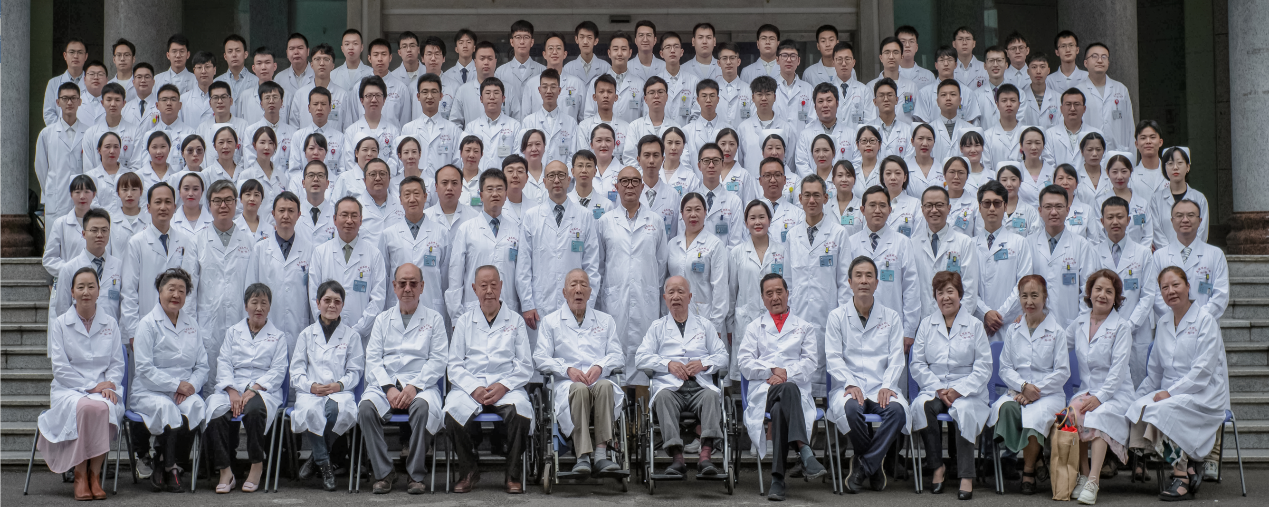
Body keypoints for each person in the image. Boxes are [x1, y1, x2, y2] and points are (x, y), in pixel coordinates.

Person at [1128, 266, 1231, 501]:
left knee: (1161, 411)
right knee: (1138, 407)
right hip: (1172, 393)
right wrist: (1136, 397)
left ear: (1187, 286)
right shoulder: (1164, 323)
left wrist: (1170, 392)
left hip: (1203, 393)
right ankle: (1189, 462)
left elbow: (1202, 372)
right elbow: (1155, 372)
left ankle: (1181, 475)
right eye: (1165, 287)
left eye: (1176, 285)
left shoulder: (1205, 321)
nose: (1171, 291)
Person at [358, 264, 449, 494]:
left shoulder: (435, 319)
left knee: (422, 408)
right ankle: (384, 472)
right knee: (366, 409)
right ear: (394, 286)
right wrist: (389, 388)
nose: (408, 288)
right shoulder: (382, 320)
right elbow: (373, 359)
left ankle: (415, 474)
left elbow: (438, 359)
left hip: (421, 384)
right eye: (402, 283)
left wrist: (414, 386)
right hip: (386, 383)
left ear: (422, 287)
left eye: (413, 283)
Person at [443, 265, 535, 494]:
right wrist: (474, 388)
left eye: (494, 285)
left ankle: (512, 475)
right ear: (474, 289)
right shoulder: (464, 321)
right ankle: (469, 471)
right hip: (470, 386)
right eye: (483, 286)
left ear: (501, 286)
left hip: (506, 386)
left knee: (521, 413)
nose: (489, 291)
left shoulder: (515, 321)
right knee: (452, 414)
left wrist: (504, 386)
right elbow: (454, 365)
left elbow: (525, 364)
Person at [39, 266, 126, 501]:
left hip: (104, 388)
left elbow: (117, 363)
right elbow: (60, 369)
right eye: (80, 287)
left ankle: (94, 475)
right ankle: (80, 474)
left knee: (103, 407)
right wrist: (91, 387)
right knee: (87, 407)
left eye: (91, 286)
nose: (86, 292)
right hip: (69, 388)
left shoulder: (110, 323)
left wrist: (110, 385)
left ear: (99, 291)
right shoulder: (60, 324)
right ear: (72, 292)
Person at [738, 274, 827, 500]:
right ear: (763, 298)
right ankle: (804, 450)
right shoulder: (754, 328)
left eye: (779, 292)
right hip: (764, 391)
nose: (775, 297)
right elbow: (744, 363)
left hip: (794, 393)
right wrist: (771, 370)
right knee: (787, 390)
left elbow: (810, 363)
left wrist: (786, 374)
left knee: (780, 407)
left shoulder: (804, 328)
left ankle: (777, 480)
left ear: (788, 293)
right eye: (769, 293)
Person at [826, 256, 909, 493]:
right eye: (859, 276)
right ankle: (875, 465)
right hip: (850, 386)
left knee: (897, 411)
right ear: (850, 282)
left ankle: (863, 465)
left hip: (881, 385)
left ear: (876, 283)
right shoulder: (837, 317)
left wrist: (888, 385)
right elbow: (833, 356)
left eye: (869, 276)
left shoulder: (891, 317)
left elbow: (896, 357)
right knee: (851, 410)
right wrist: (850, 383)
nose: (864, 281)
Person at [533, 269, 625, 476]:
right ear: (564, 292)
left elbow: (618, 355)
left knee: (605, 385)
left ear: (590, 292)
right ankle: (582, 456)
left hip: (597, 382)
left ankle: (601, 455)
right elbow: (540, 358)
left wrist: (600, 367)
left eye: (583, 285)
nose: (578, 290)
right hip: (567, 384)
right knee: (579, 389)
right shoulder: (551, 322)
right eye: (573, 285)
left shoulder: (605, 320)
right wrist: (567, 369)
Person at [909, 270, 991, 499]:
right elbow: (917, 364)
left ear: (960, 294)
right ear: (935, 297)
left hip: (967, 390)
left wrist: (959, 390)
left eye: (950, 291)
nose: (945, 297)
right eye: (940, 292)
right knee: (922, 407)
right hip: (935, 387)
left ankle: (966, 476)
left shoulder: (975, 325)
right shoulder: (926, 325)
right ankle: (937, 467)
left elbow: (984, 367)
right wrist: (938, 388)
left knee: (964, 410)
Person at [636, 276, 728, 477]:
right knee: (662, 397)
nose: (676, 296)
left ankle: (705, 456)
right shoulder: (657, 327)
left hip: (700, 387)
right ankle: (677, 458)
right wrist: (667, 364)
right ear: (665, 298)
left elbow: (723, 356)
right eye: (671, 292)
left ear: (690, 297)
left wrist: (703, 363)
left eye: (681, 292)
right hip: (670, 388)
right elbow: (640, 358)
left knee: (712, 396)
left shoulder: (705, 325)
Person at [988, 275, 1070, 496]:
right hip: (1018, 390)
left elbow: (1063, 371)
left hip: (1048, 393)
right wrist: (1024, 386)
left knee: (1035, 416)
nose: (1029, 301)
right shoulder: (1013, 330)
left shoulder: (1057, 331)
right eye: (1024, 296)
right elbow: (1005, 368)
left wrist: (1036, 390)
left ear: (1044, 297)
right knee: (1006, 409)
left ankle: (1028, 470)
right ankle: (1037, 457)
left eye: (1035, 295)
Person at [203, 283, 288, 493]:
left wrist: (254, 389)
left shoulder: (278, 336)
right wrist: (232, 391)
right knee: (215, 412)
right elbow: (224, 362)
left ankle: (256, 464)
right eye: (254, 302)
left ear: (269, 307)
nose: (259, 308)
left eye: (264, 303)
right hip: (232, 385)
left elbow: (279, 369)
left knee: (254, 411)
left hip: (263, 389)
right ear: (245, 306)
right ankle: (225, 471)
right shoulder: (233, 332)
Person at [131, 268, 209, 492]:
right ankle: (167, 465)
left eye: (182, 291)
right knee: (166, 408)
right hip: (150, 390)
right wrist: (176, 385)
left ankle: (168, 462)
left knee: (196, 406)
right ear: (159, 291)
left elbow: (202, 365)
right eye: (171, 289)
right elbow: (144, 368)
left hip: (183, 390)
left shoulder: (191, 325)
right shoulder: (147, 324)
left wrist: (191, 385)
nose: (176, 295)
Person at [1066, 269, 1135, 505]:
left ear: (1116, 298)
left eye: (1109, 291)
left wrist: (1101, 397)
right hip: (1088, 389)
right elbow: (1058, 342)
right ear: (1089, 293)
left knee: (1099, 414)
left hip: (1116, 393)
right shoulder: (1080, 322)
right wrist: (1028, 321)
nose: (1102, 295)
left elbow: (1118, 370)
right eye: (1098, 289)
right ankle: (1084, 475)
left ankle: (1094, 481)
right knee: (1073, 412)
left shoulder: (1122, 327)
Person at [290, 280, 365, 491]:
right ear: (318, 303)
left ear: (342, 305)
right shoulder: (306, 335)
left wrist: (339, 385)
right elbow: (296, 371)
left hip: (339, 392)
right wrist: (311, 386)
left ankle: (315, 458)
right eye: (327, 300)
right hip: (311, 392)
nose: (332, 305)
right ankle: (325, 465)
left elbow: (355, 371)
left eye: (337, 301)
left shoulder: (352, 336)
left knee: (335, 412)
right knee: (311, 411)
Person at [597, 166, 668, 385]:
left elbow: (661, 263)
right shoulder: (605, 221)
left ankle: (642, 400)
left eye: (635, 181)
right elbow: (600, 264)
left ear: (642, 186)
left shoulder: (655, 221)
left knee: (644, 355)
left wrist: (647, 287)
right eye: (624, 181)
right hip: (614, 298)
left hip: (646, 297)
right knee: (615, 352)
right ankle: (617, 402)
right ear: (616, 186)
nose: (629, 186)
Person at [784, 175, 850, 396]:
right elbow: (788, 280)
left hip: (829, 314)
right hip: (798, 315)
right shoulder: (792, 235)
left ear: (825, 198)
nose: (811, 200)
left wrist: (842, 317)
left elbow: (844, 282)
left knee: (828, 373)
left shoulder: (839, 233)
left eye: (816, 195)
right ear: (800, 198)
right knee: (801, 373)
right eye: (807, 195)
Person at [194, 180, 254, 391]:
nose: (223, 205)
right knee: (208, 379)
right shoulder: (197, 240)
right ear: (209, 205)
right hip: (207, 322)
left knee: (239, 379)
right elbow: (190, 288)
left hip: (240, 319)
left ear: (236, 203)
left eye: (228, 200)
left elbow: (253, 285)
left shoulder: (248, 240)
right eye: (217, 201)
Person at [121, 183, 200, 341]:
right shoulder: (136, 243)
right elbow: (129, 291)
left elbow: (190, 289)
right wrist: (133, 332)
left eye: (168, 202)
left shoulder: (186, 241)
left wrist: (189, 325)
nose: (163, 207)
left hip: (179, 325)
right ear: (149, 208)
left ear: (175, 207)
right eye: (158, 202)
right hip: (146, 325)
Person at [1098, 196, 1160, 385]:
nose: (1115, 222)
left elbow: (1148, 295)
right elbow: (1088, 293)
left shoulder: (1143, 254)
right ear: (1102, 221)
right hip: (1102, 330)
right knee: (1104, 384)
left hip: (1137, 331)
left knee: (1138, 384)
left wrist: (1128, 326)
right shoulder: (1093, 252)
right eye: (1110, 217)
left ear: (1128, 220)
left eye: (1120, 217)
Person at [307, 196, 387, 340]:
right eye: (344, 215)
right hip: (327, 333)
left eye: (354, 216)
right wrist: (327, 325)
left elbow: (378, 299)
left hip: (362, 336)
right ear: (334, 219)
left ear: (361, 220)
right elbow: (314, 296)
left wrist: (357, 330)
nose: (349, 220)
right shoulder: (320, 253)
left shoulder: (374, 254)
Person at [849, 185, 921, 341]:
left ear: (890, 210)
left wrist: (909, 331)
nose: (877, 210)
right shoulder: (851, 243)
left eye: (882, 205)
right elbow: (845, 287)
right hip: (856, 324)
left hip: (892, 326)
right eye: (872, 205)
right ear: (862, 210)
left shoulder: (902, 243)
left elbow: (911, 288)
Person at [244, 191, 311, 351]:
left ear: (299, 215)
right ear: (273, 214)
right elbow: (250, 290)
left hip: (299, 326)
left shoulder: (310, 250)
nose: (286, 215)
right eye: (281, 210)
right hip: (267, 325)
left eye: (291, 211)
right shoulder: (260, 249)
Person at [1030, 184, 1098, 325]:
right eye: (1048, 207)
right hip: (1035, 321)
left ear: (1068, 210)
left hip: (1070, 324)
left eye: (1059, 207)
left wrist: (1080, 324)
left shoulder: (1081, 245)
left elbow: (1087, 290)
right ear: (1040, 211)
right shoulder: (1028, 244)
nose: (1054, 212)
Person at [974, 180, 1034, 339]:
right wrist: (985, 313)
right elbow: (966, 287)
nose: (992, 208)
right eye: (986, 203)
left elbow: (1024, 285)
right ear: (979, 207)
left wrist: (999, 316)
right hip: (979, 323)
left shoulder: (1020, 243)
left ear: (1005, 206)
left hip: (1010, 324)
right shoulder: (970, 245)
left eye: (997, 203)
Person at [1152, 199, 1228, 320]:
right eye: (1179, 216)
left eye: (1191, 215)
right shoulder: (1159, 256)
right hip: (1170, 324)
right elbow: (1155, 295)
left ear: (1200, 221)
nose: (1185, 220)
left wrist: (1197, 319)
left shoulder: (1216, 254)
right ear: (1172, 221)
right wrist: (1176, 317)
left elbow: (1221, 295)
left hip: (1205, 324)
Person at [913, 186, 980, 318]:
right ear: (922, 209)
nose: (934, 210)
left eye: (939, 205)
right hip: (922, 321)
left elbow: (970, 290)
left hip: (956, 321)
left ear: (949, 208)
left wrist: (956, 322)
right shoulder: (912, 244)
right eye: (929, 205)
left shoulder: (964, 242)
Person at [35, 82, 88, 228]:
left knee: (81, 237)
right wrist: (52, 190)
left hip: (82, 198)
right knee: (55, 240)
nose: (69, 102)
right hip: (56, 200)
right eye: (65, 98)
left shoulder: (88, 133)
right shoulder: (47, 134)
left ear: (80, 101)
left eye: (73, 98)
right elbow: (41, 168)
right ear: (58, 102)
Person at [401, 74, 463, 175]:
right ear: (418, 96)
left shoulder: (453, 129)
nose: (429, 96)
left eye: (434, 92)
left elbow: (458, 163)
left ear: (441, 96)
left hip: (444, 183)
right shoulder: (408, 129)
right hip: (416, 183)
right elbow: (402, 163)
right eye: (425, 92)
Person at [1076, 43, 1133, 152]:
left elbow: (1130, 127)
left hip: (1118, 154)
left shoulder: (1121, 89)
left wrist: (1131, 156)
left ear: (1108, 63)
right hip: (1089, 154)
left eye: (1104, 57)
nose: (1100, 60)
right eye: (1094, 56)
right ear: (1085, 63)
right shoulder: (1077, 91)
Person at [1149, 147, 1210, 249]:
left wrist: (1188, 252)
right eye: (1170, 163)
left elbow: (1202, 231)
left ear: (1188, 167)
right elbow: (1156, 231)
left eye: (1180, 163)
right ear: (1164, 168)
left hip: (1193, 254)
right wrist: (1170, 253)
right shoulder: (1156, 199)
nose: (1175, 167)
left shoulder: (1199, 198)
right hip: (1165, 255)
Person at [738, 77, 799, 174]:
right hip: (751, 181)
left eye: (768, 94)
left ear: (774, 97)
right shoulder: (743, 128)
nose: (764, 98)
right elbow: (739, 162)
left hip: (778, 181)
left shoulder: (786, 128)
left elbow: (790, 163)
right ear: (753, 98)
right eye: (759, 94)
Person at [582, 33, 644, 125]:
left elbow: (644, 117)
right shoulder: (595, 82)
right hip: (601, 133)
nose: (619, 53)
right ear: (609, 53)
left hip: (631, 133)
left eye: (623, 49)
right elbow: (589, 115)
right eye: (615, 49)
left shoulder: (640, 84)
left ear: (630, 53)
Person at [341, 76, 401, 169]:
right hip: (358, 178)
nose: (373, 100)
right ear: (362, 100)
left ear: (384, 100)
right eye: (369, 96)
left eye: (378, 95)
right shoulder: (351, 131)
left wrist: (381, 176)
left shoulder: (394, 131)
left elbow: (395, 161)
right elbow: (349, 162)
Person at [618, 77, 681, 166]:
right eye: (651, 92)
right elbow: (629, 158)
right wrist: (645, 174)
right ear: (645, 99)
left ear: (667, 97)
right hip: (641, 174)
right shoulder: (635, 126)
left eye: (660, 92)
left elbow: (681, 157)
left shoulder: (676, 128)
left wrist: (665, 173)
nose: (656, 96)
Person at [795, 84, 856, 176]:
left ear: (837, 103)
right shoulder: (805, 135)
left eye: (829, 100)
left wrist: (840, 180)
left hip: (843, 183)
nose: (825, 105)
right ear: (815, 107)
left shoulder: (851, 134)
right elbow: (802, 164)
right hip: (814, 184)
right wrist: (818, 182)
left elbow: (857, 163)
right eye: (820, 101)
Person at [43, 176, 97, 280]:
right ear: (71, 194)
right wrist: (70, 269)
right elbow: (49, 258)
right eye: (77, 192)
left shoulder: (102, 222)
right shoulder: (60, 223)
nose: (82, 196)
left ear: (94, 194)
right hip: (69, 280)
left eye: (86, 191)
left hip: (97, 280)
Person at [914, 46, 981, 126]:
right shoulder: (924, 93)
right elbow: (923, 124)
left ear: (956, 64)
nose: (946, 64)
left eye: (949, 60)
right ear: (936, 65)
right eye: (942, 60)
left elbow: (970, 122)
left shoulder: (968, 92)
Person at [80, 83, 140, 171]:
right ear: (102, 103)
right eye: (109, 99)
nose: (113, 104)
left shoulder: (135, 131)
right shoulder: (90, 133)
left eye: (117, 100)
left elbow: (136, 166)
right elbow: (88, 168)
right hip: (97, 179)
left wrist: (122, 179)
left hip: (127, 179)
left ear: (124, 103)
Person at [289, 89, 346, 176]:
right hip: (304, 184)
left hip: (332, 184)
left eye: (323, 104)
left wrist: (329, 183)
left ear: (330, 108)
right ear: (309, 108)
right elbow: (294, 170)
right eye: (315, 104)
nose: (319, 108)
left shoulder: (340, 137)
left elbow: (341, 171)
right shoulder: (298, 136)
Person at [494, 20, 544, 119]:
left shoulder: (542, 71)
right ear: (511, 41)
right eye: (518, 37)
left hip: (536, 124)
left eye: (526, 37)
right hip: (508, 124)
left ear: (532, 42)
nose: (522, 42)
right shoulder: (500, 72)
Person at [449, 41, 504, 128]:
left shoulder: (508, 89)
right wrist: (467, 136)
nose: (486, 62)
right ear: (475, 62)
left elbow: (516, 120)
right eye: (482, 59)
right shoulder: (463, 90)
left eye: (490, 58)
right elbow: (455, 124)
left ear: (495, 61)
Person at [1044, 89, 1103, 168]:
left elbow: (1102, 163)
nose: (1072, 108)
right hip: (1059, 176)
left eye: (1077, 104)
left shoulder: (1096, 134)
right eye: (1068, 104)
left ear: (1084, 109)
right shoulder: (1050, 134)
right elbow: (1048, 165)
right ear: (1061, 109)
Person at [1104, 152, 1153, 247]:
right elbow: (1099, 235)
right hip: (1109, 253)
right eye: (1114, 172)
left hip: (1139, 254)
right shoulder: (1101, 202)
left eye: (1124, 171)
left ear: (1131, 171)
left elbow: (1148, 235)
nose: (1119, 177)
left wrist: (1139, 254)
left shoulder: (1142, 203)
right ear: (1107, 172)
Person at [865, 38, 919, 124]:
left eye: (895, 52)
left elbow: (917, 117)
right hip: (878, 131)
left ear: (902, 57)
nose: (891, 56)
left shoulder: (911, 86)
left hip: (906, 131)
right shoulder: (870, 87)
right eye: (887, 52)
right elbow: (868, 117)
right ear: (881, 57)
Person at [43, 38, 90, 125]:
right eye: (72, 52)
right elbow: (49, 113)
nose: (75, 56)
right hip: (59, 131)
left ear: (86, 56)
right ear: (65, 55)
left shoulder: (92, 84)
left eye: (80, 52)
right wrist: (64, 129)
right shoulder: (53, 83)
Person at [107, 172, 150, 264]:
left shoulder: (150, 221)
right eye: (125, 190)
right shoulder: (110, 221)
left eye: (134, 189)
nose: (129, 194)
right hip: (118, 271)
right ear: (118, 192)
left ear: (141, 192)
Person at [425, 164, 480, 233]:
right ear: (436, 187)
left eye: (454, 183)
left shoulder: (474, 216)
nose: (449, 188)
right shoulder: (425, 217)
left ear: (461, 187)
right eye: (444, 183)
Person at [994, 164, 1042, 237]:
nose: (1009, 184)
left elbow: (1035, 239)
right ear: (998, 183)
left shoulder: (1031, 212)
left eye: (1013, 179)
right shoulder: (992, 210)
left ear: (1020, 182)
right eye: (1004, 180)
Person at [1021, 52, 1062, 129]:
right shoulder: (1020, 98)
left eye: (1042, 67)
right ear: (1028, 72)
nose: (1038, 71)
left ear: (1048, 70)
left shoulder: (1059, 98)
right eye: (1034, 67)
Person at [1017, 127, 1055, 206]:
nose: (1034, 147)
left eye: (1037, 143)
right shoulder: (1016, 172)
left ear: (1043, 145)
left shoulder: (1053, 172)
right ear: (1021, 146)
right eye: (1029, 143)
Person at [331, 29, 373, 94]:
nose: (351, 47)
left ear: (362, 47)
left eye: (355, 43)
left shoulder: (372, 73)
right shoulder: (332, 75)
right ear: (342, 48)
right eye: (347, 44)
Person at [895, 26, 936, 90]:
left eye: (911, 41)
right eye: (903, 41)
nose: (907, 45)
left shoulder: (928, 75)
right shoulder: (889, 74)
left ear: (916, 47)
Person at [1131, 120, 1166, 192]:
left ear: (1160, 142)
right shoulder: (1131, 177)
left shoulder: (1170, 173)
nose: (1148, 142)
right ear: (1136, 144)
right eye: (1143, 138)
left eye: (1152, 137)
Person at [277, 33, 315, 98]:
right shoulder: (279, 78)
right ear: (287, 53)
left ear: (308, 51)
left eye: (300, 48)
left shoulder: (317, 75)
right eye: (292, 49)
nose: (296, 52)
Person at [951, 27, 988, 92]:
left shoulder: (985, 68)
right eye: (960, 39)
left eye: (968, 39)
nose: (964, 43)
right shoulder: (949, 68)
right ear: (954, 44)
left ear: (974, 43)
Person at [124, 62, 158, 126]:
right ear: (133, 82)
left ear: (153, 82)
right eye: (139, 77)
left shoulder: (161, 107)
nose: (143, 80)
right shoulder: (125, 109)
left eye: (147, 77)